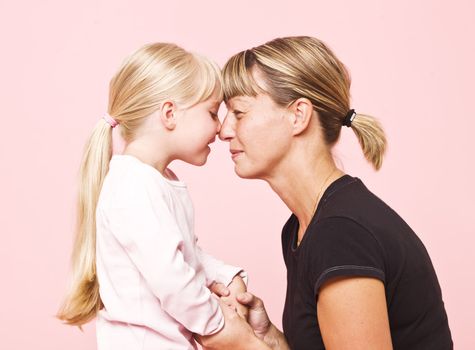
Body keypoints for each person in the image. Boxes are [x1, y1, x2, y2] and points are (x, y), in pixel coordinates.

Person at [200, 36, 453, 349]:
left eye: (239, 112)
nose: (224, 131)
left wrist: (244, 346)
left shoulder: (340, 234)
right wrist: (269, 340)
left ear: (298, 115)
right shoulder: (302, 228)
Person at [56, 42, 249, 350]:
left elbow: (188, 255)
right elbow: (172, 280)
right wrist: (222, 324)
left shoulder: (156, 181)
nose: (220, 127)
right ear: (169, 114)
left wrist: (228, 277)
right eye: (212, 113)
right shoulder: (132, 186)